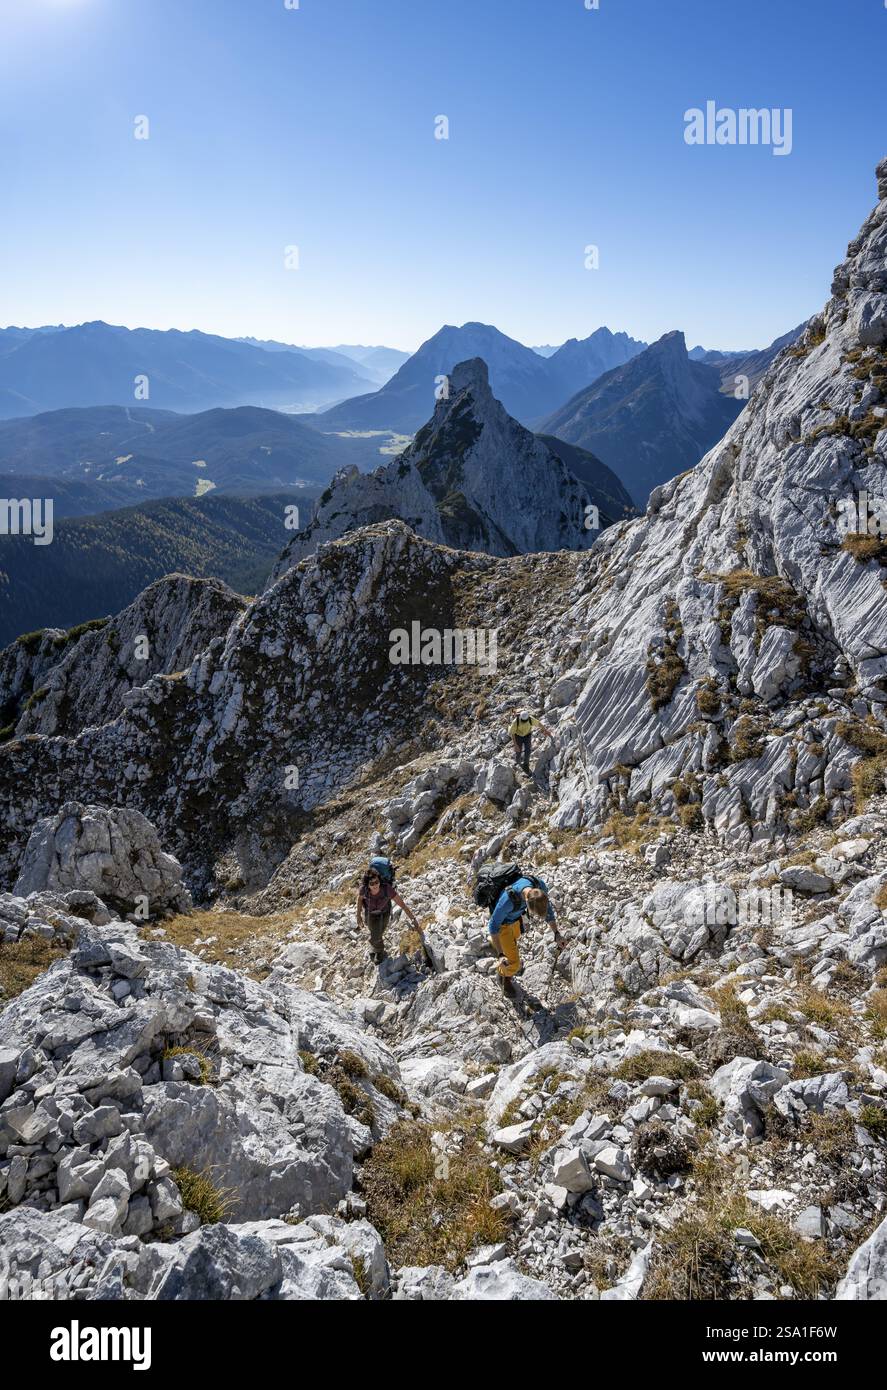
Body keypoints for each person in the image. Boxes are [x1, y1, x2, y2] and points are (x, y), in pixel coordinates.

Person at [487, 874, 564, 997]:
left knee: (515, 938)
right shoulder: (507, 900)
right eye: (533, 912)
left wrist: (557, 934)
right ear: (526, 901)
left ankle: (498, 943)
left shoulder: (539, 887)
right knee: (514, 963)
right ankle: (503, 977)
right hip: (502, 924)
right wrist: (501, 954)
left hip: (515, 918)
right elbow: (493, 926)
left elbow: (548, 911)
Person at [356, 867, 421, 965]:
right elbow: (359, 899)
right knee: (374, 931)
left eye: (377, 882)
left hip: (384, 912)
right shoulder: (364, 890)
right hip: (370, 913)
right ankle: (377, 947)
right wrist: (358, 916)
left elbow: (402, 905)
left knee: (378, 932)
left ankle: (378, 951)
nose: (375, 885)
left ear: (379, 880)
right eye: (371, 883)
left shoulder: (386, 889)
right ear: (367, 885)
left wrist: (413, 919)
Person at [509, 709, 552, 774]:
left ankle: (526, 765)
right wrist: (515, 745)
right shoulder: (516, 721)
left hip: (527, 736)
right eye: (523, 721)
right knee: (518, 751)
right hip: (518, 737)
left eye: (525, 721)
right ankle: (518, 763)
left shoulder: (530, 719)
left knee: (528, 751)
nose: (524, 722)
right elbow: (512, 733)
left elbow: (539, 724)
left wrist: (545, 730)